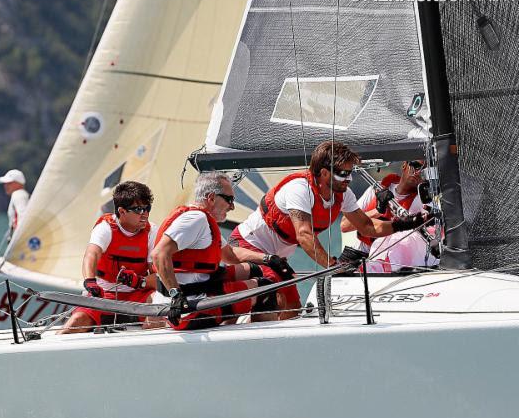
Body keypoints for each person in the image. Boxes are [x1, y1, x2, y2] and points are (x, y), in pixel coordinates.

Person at [230, 141, 429, 318]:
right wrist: (333, 266)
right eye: (343, 173)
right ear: (324, 172)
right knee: (270, 297)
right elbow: (304, 234)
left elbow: (367, 227)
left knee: (292, 308)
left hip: (276, 258)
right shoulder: (300, 189)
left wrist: (406, 224)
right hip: (249, 244)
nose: (348, 179)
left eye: (350, 173)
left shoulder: (344, 194)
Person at [151, 172, 279, 330]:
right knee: (265, 288)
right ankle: (261, 344)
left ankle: (230, 327)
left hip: (195, 294)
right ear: (211, 198)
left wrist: (268, 258)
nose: (232, 207)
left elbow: (230, 255)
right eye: (229, 200)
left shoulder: (202, 220)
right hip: (187, 310)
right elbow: (159, 254)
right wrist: (175, 295)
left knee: (254, 270)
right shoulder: (195, 220)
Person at [59, 181, 157, 334]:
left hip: (138, 295)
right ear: (122, 211)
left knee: (159, 315)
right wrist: (90, 281)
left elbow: (158, 278)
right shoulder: (105, 228)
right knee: (76, 322)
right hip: (103, 294)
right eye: (138, 209)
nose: (145, 214)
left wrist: (140, 281)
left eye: (147, 208)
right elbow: (91, 255)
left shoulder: (152, 232)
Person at [341, 160, 426, 253]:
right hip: (356, 252)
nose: (418, 172)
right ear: (404, 165)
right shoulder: (376, 189)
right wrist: (378, 210)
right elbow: (345, 226)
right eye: (415, 166)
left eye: (423, 170)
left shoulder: (421, 203)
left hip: (390, 260)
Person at [0, 169, 30, 238]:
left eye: (9, 183)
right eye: (5, 183)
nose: (5, 186)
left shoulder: (18, 195)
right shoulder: (22, 195)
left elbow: (23, 217)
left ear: (18, 183)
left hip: (21, 242)